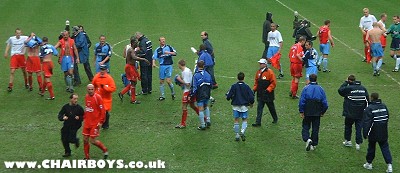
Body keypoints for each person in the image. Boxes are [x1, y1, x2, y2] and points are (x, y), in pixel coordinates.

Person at [362, 93, 392, 173]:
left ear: (371, 98)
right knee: (385, 148)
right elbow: (387, 116)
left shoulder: (369, 108)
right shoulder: (384, 106)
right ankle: (389, 165)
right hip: (383, 131)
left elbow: (367, 122)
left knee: (371, 147)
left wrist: (365, 134)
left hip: (373, 132)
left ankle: (369, 163)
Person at [338, 74, 369, 150]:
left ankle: (348, 141)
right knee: (358, 128)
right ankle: (358, 143)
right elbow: (367, 100)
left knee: (348, 126)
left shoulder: (349, 88)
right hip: (360, 112)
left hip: (350, 112)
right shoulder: (363, 88)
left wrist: (345, 82)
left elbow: (340, 90)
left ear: (349, 81)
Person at [299, 74, 328, 151]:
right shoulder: (320, 89)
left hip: (308, 109)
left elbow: (302, 101)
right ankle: (314, 144)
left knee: (305, 126)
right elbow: (325, 103)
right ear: (316, 79)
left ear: (309, 79)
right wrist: (323, 112)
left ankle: (307, 139)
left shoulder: (306, 88)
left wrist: (301, 111)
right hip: (317, 110)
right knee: (315, 128)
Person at [118, 38, 150, 104]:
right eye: (136, 42)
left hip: (130, 66)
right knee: (133, 82)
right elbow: (134, 58)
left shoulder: (132, 50)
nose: (137, 44)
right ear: (132, 43)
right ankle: (133, 99)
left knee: (134, 82)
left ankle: (122, 93)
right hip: (130, 67)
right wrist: (143, 59)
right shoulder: (131, 50)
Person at [226, 72, 255, 141]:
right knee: (244, 119)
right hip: (244, 106)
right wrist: (251, 103)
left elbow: (228, 96)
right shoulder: (247, 87)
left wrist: (228, 98)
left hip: (235, 106)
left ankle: (237, 135)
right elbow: (251, 96)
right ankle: (242, 131)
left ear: (237, 78)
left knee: (236, 120)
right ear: (244, 78)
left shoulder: (233, 86)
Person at [82, 84, 108, 160]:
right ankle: (87, 157)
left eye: (92, 89)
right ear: (87, 90)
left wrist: (101, 122)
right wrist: (84, 117)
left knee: (92, 141)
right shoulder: (86, 97)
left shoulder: (98, 98)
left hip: (95, 123)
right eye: (89, 89)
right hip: (87, 122)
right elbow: (87, 108)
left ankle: (104, 149)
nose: (90, 91)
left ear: (94, 89)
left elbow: (103, 111)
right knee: (85, 140)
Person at [252, 58, 278, 127]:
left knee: (271, 107)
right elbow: (256, 82)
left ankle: (275, 118)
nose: (260, 65)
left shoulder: (270, 72)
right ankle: (258, 122)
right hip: (260, 94)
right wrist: (254, 90)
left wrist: (268, 90)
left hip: (268, 95)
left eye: (261, 63)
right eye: (260, 63)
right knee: (259, 108)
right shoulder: (258, 72)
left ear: (265, 64)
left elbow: (273, 83)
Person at [174, 59, 199, 128]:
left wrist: (179, 79)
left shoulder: (185, 72)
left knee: (184, 107)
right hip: (191, 91)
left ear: (179, 65)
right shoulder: (186, 70)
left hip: (187, 91)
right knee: (192, 106)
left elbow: (187, 84)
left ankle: (183, 124)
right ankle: (204, 118)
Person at [58, 93, 84, 157]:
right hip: (66, 125)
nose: (76, 100)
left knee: (70, 139)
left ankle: (76, 140)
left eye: (77, 99)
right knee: (64, 139)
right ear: (70, 99)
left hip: (75, 126)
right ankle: (67, 152)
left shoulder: (79, 108)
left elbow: (83, 116)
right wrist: (62, 118)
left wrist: (79, 118)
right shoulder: (65, 107)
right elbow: (60, 115)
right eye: (74, 99)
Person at [92, 65, 116, 129]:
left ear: (106, 70)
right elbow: (93, 86)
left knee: (105, 112)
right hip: (98, 98)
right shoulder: (96, 77)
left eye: (103, 70)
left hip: (106, 99)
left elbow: (113, 88)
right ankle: (97, 123)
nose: (102, 71)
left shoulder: (109, 78)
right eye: (101, 70)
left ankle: (105, 125)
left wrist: (105, 87)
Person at [152, 37, 177, 101]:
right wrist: (154, 63)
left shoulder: (169, 47)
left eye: (164, 40)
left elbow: (175, 53)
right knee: (161, 81)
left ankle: (173, 93)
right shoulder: (158, 49)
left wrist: (169, 53)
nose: (163, 41)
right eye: (162, 40)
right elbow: (154, 57)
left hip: (169, 65)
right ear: (159, 41)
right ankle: (162, 96)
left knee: (168, 81)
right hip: (162, 66)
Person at [190, 60, 212, 130]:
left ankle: (202, 125)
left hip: (200, 94)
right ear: (204, 66)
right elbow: (211, 84)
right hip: (207, 93)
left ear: (197, 66)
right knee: (206, 106)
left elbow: (194, 86)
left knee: (201, 109)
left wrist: (192, 94)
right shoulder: (208, 74)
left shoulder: (196, 75)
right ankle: (208, 120)